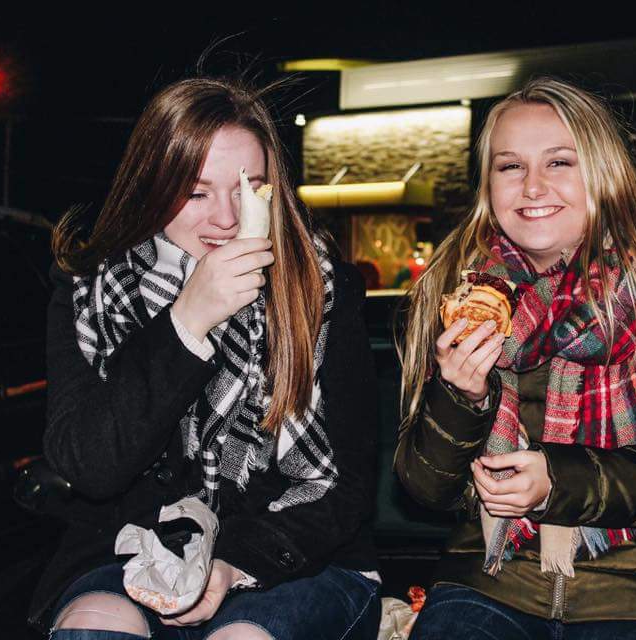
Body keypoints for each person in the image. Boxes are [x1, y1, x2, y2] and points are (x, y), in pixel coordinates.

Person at [395, 77, 636, 640]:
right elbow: (425, 489)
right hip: (491, 578)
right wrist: (462, 397)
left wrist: (557, 485)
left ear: (603, 170)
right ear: (488, 183)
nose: (532, 186)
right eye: (510, 166)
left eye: (560, 162)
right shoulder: (456, 291)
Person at [28, 76, 381, 640]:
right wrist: (185, 323)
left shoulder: (319, 288)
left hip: (296, 553)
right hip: (132, 547)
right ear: (151, 187)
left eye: (249, 189)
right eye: (196, 193)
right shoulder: (89, 289)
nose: (225, 218)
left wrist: (232, 564)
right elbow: (91, 467)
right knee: (95, 627)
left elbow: (344, 488)